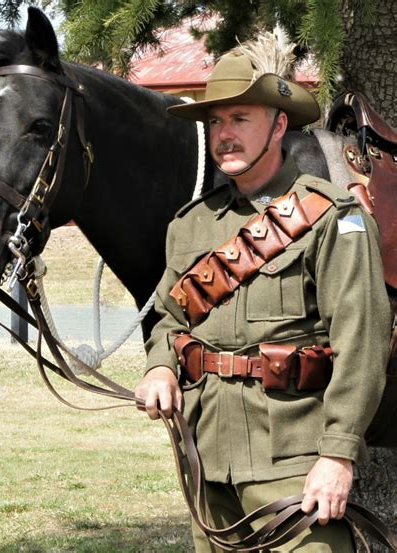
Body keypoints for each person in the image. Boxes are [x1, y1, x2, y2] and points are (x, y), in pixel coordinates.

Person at [135, 42, 392, 552]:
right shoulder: (191, 226)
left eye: (240, 118)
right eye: (216, 122)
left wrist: (338, 457)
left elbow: (361, 343)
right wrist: (160, 366)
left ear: (278, 126)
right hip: (207, 463)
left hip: (295, 469)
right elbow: (169, 317)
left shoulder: (331, 216)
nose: (224, 133)